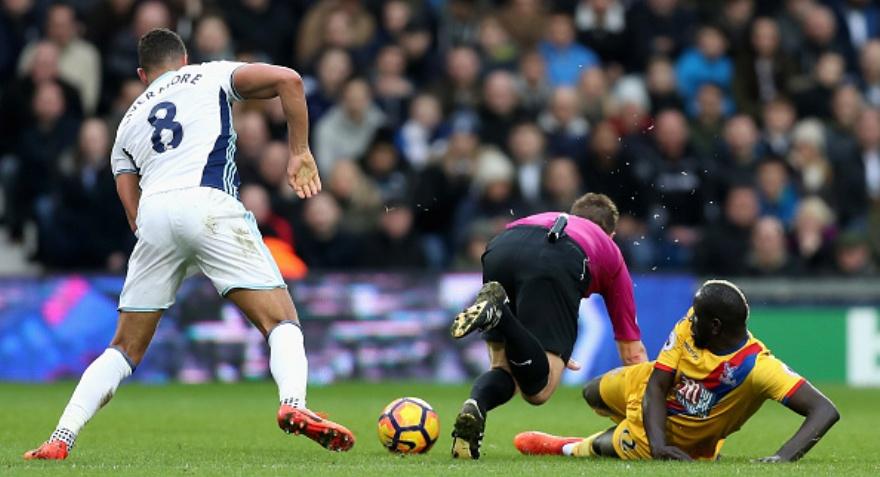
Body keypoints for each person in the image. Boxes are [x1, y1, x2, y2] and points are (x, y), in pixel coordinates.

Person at [23, 28, 354, 461]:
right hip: (209, 202)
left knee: (123, 348)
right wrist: (299, 151)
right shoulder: (208, 75)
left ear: (143, 75)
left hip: (155, 215)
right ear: (184, 60)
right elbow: (289, 80)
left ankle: (60, 438)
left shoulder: (126, 124)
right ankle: (293, 403)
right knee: (281, 321)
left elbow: (132, 212)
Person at [514, 280, 839, 462]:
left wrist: (782, 457)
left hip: (680, 432)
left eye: (697, 318)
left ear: (715, 326)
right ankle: (636, 432)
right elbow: (657, 385)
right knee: (591, 392)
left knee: (602, 447)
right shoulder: (690, 325)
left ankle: (566, 446)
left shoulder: (757, 367)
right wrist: (658, 446)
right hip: (649, 387)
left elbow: (825, 410)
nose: (689, 319)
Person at [448, 192, 648, 460]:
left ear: (575, 216)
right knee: (539, 391)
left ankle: (475, 406)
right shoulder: (609, 251)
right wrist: (647, 416)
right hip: (557, 255)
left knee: (504, 368)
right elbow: (632, 354)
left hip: (501, 247)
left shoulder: (550, 217)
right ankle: (501, 314)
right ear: (610, 235)